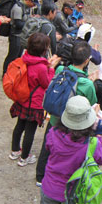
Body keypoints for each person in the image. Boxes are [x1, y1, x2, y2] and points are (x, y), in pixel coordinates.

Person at [36, 95, 102, 204]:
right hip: (72, 194)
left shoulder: (53, 133)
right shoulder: (90, 144)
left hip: (49, 187)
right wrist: (99, 137)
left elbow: (48, 147)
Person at [36, 40, 98, 186]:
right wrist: (91, 80)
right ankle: (61, 179)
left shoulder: (60, 70)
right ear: (87, 60)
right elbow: (90, 102)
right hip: (71, 123)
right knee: (65, 150)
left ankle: (40, 176)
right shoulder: (87, 84)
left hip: (54, 118)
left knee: (47, 145)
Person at [8, 33, 60, 166]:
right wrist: (52, 69)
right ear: (44, 50)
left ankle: (14, 150)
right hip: (34, 102)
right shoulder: (41, 67)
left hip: (23, 98)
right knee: (30, 131)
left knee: (19, 125)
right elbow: (46, 83)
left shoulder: (25, 59)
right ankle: (25, 157)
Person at [2, 0, 40, 75]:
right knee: (12, 55)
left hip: (21, 35)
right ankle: (5, 72)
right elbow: (18, 23)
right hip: (15, 35)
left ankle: (13, 72)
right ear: (29, 0)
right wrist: (29, 22)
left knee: (18, 56)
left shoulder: (27, 8)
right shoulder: (18, 8)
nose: (34, 6)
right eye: (33, 3)